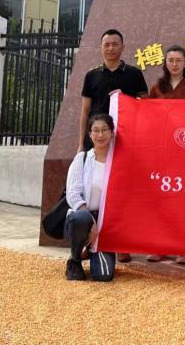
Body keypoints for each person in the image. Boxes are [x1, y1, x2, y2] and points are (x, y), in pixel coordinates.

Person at [78, 28, 148, 263]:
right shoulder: (91, 75)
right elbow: (85, 111)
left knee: (122, 191)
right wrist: (81, 144)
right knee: (94, 191)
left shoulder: (134, 74)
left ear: (123, 47)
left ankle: (121, 244)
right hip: (97, 140)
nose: (110, 48)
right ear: (101, 47)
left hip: (124, 142)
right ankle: (91, 241)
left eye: (115, 44)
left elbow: (145, 107)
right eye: (106, 44)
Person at [146, 46, 185, 264]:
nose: (175, 64)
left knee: (182, 199)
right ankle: (159, 245)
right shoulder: (157, 87)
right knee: (161, 198)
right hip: (161, 149)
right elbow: (147, 114)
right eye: (171, 60)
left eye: (179, 60)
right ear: (165, 63)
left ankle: (182, 247)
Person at [64, 114, 118, 281]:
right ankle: (75, 260)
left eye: (105, 130)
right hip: (83, 217)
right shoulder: (82, 159)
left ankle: (91, 252)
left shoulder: (119, 161)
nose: (100, 135)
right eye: (95, 130)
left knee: (103, 276)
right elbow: (73, 194)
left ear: (112, 133)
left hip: (107, 221)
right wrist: (92, 221)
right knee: (81, 218)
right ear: (90, 134)